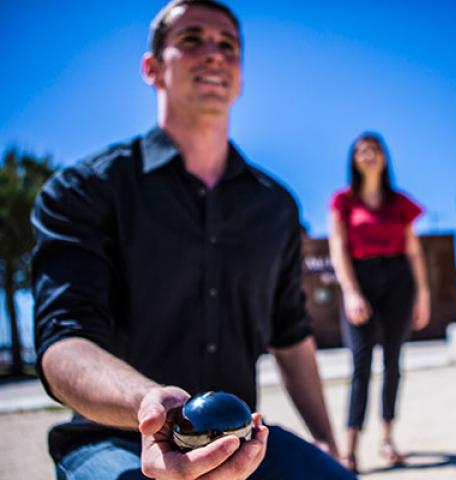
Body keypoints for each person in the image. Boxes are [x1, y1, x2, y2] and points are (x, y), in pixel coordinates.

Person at [30, 1, 356, 479]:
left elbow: (291, 337)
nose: (213, 54)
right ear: (152, 68)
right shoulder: (85, 191)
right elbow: (64, 345)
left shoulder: (276, 208)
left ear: (240, 78)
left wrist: (325, 440)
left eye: (228, 45)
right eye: (191, 40)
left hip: (245, 443)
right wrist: (149, 406)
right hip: (112, 439)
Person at [328, 132, 430, 473]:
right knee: (360, 364)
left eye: (374, 150)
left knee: (393, 362)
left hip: (398, 281)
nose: (368, 155)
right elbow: (338, 249)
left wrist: (423, 295)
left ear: (384, 157)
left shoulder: (399, 203)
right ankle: (350, 449)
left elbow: (414, 252)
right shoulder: (343, 201)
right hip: (362, 280)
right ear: (354, 159)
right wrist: (351, 291)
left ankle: (387, 439)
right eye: (361, 150)